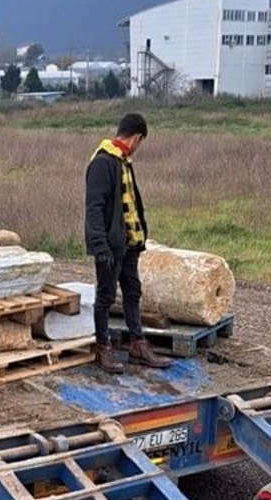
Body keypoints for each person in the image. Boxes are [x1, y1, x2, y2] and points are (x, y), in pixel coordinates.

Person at [84, 112, 171, 373]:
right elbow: (94, 207)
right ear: (137, 137)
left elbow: (130, 204)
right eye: (140, 142)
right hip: (110, 245)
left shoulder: (123, 161)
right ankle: (103, 348)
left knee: (132, 292)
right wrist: (99, 245)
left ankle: (137, 344)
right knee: (106, 296)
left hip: (129, 243)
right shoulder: (103, 162)